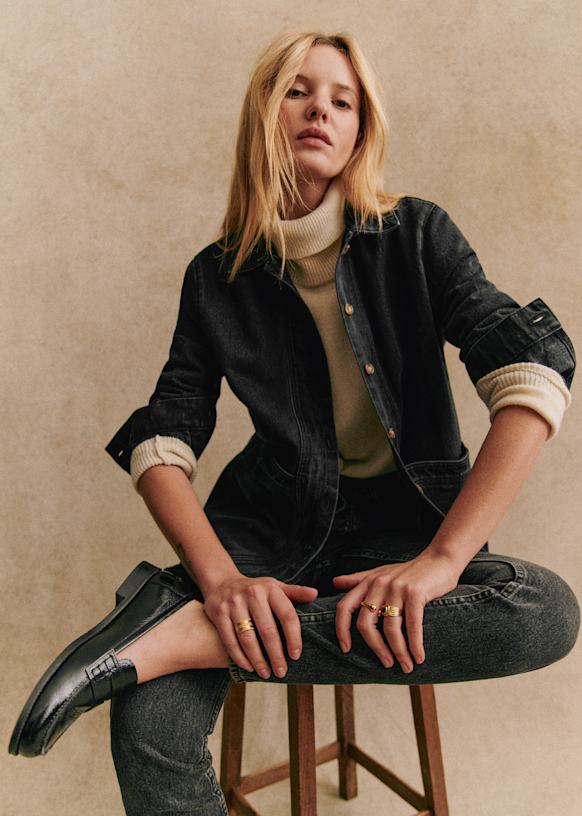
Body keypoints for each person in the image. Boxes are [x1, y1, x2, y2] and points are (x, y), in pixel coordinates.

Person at [8, 29, 580, 816]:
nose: (321, 111)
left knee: (544, 613)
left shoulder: (416, 235)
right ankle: (186, 623)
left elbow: (531, 371)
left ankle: (184, 633)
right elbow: (165, 440)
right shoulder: (217, 277)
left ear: (361, 132)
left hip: (406, 529)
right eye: (298, 92)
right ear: (263, 114)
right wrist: (219, 581)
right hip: (269, 530)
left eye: (344, 101)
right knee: (147, 722)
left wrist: (445, 560)